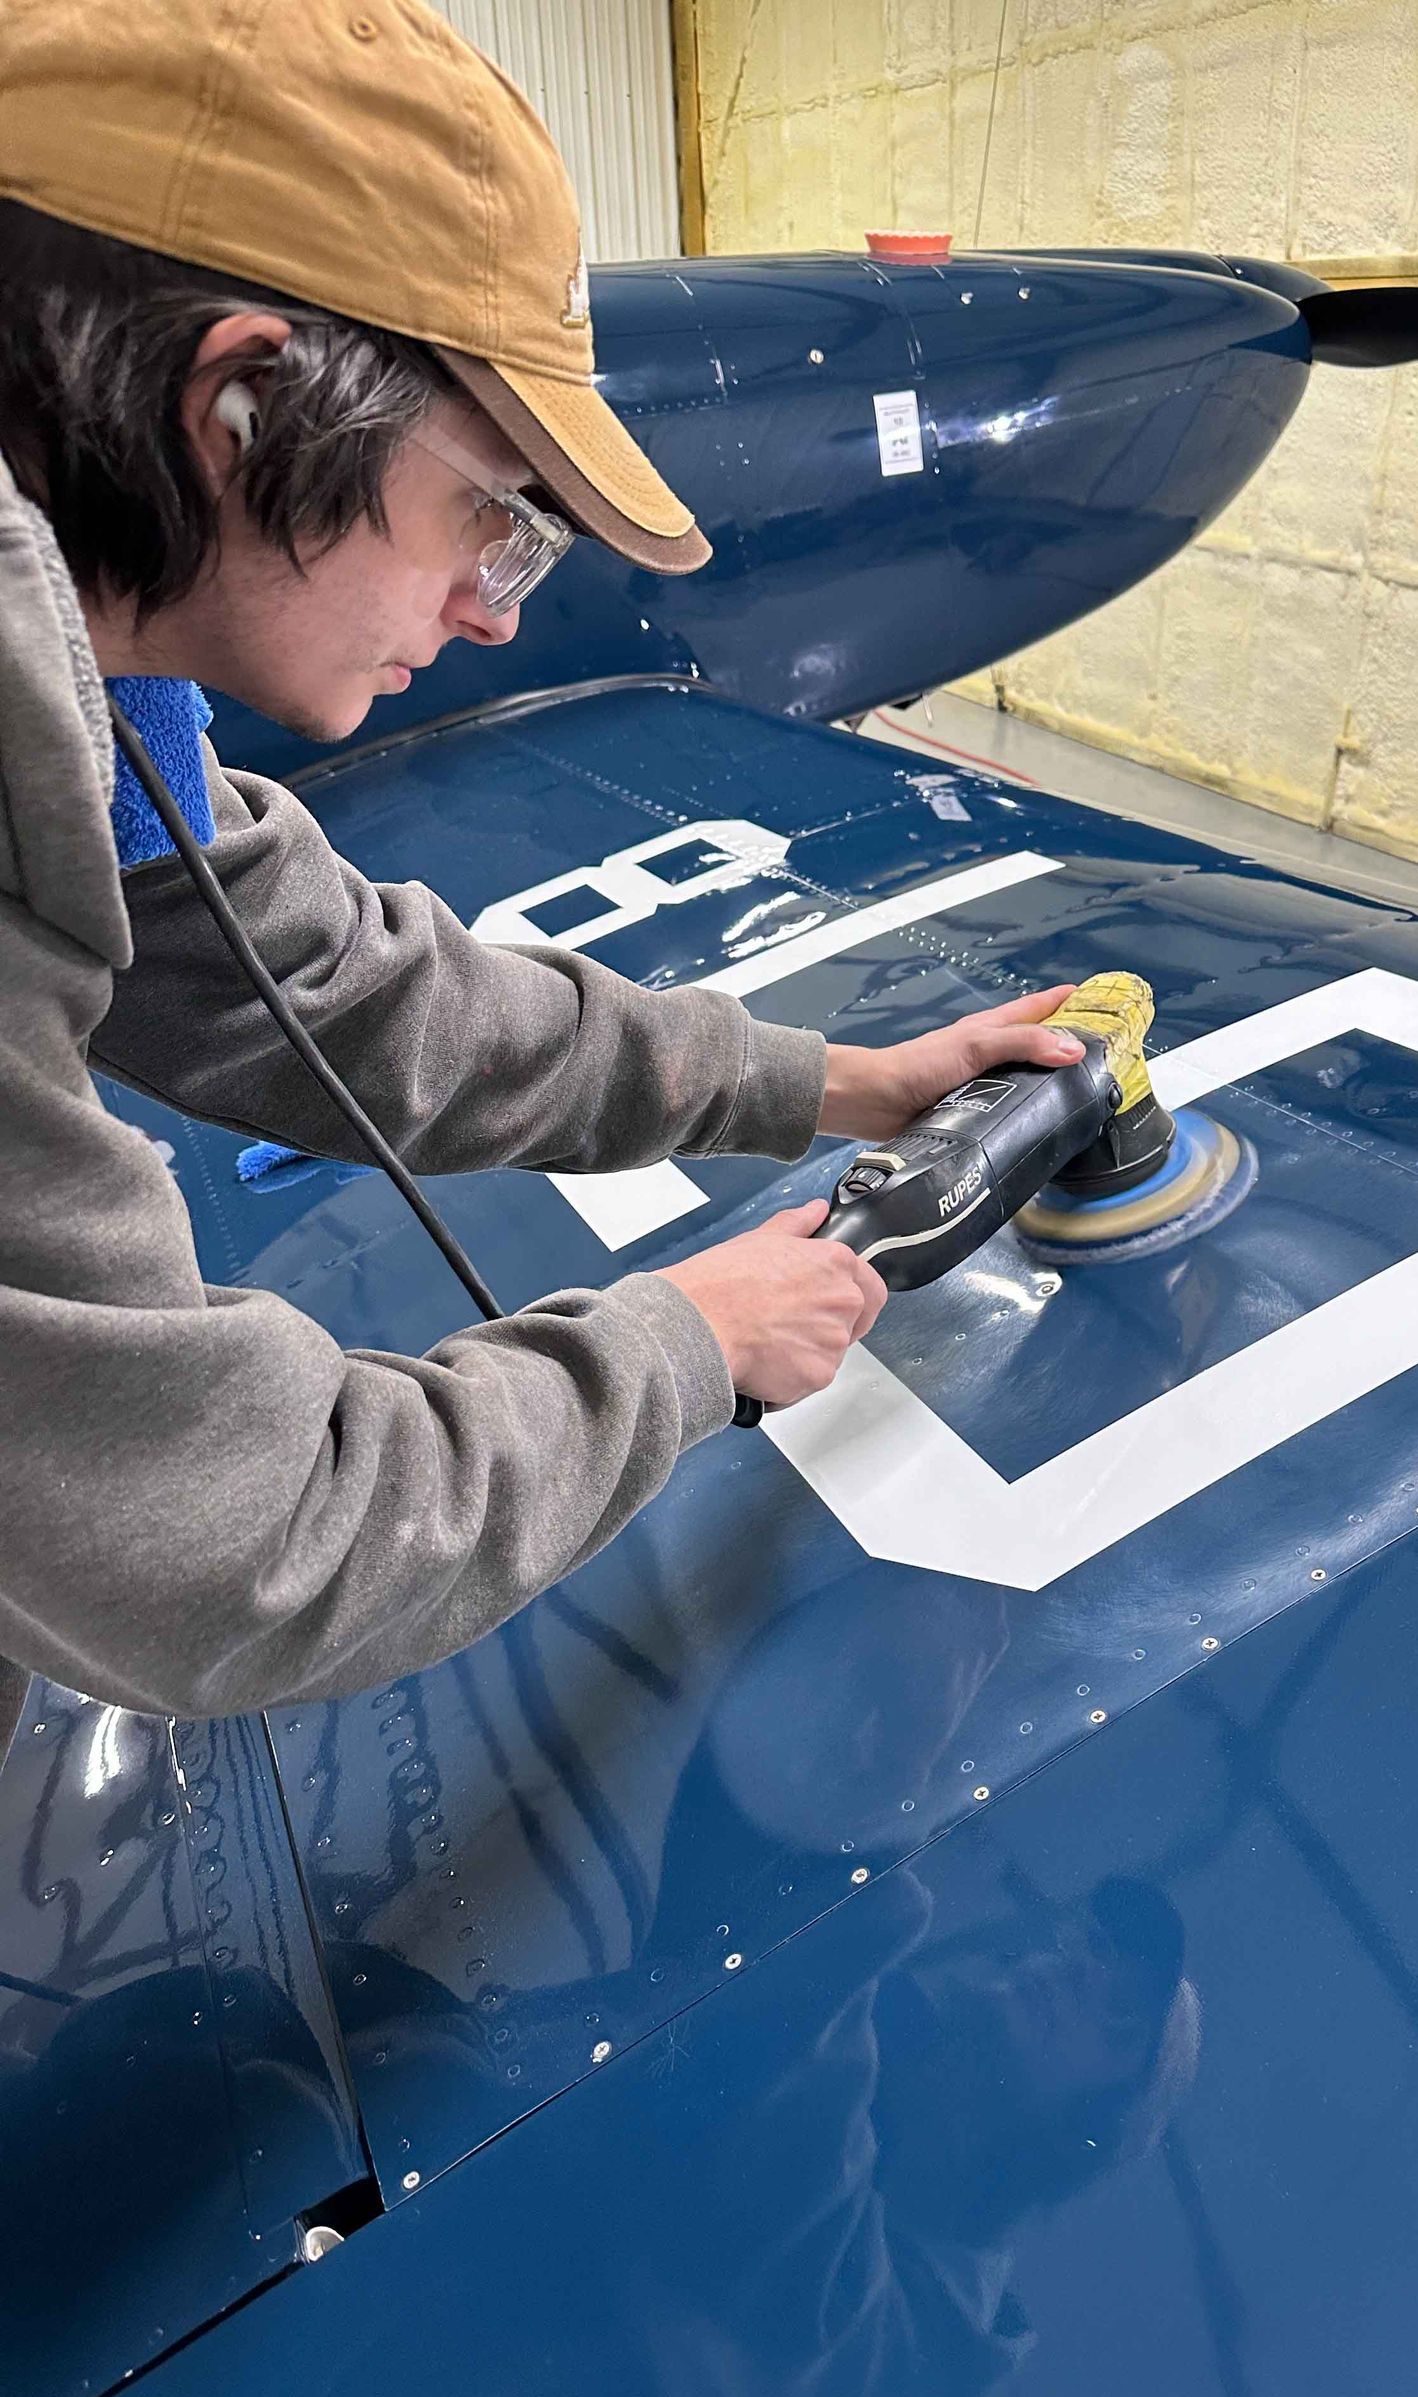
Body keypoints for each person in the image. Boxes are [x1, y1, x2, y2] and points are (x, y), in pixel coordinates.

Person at [0, 0, 1087, 1762]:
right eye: (497, 514)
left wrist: (832, 1082)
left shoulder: (101, 692)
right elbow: (228, 1546)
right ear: (240, 407)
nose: (500, 608)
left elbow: (344, 993)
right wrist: (690, 1340)